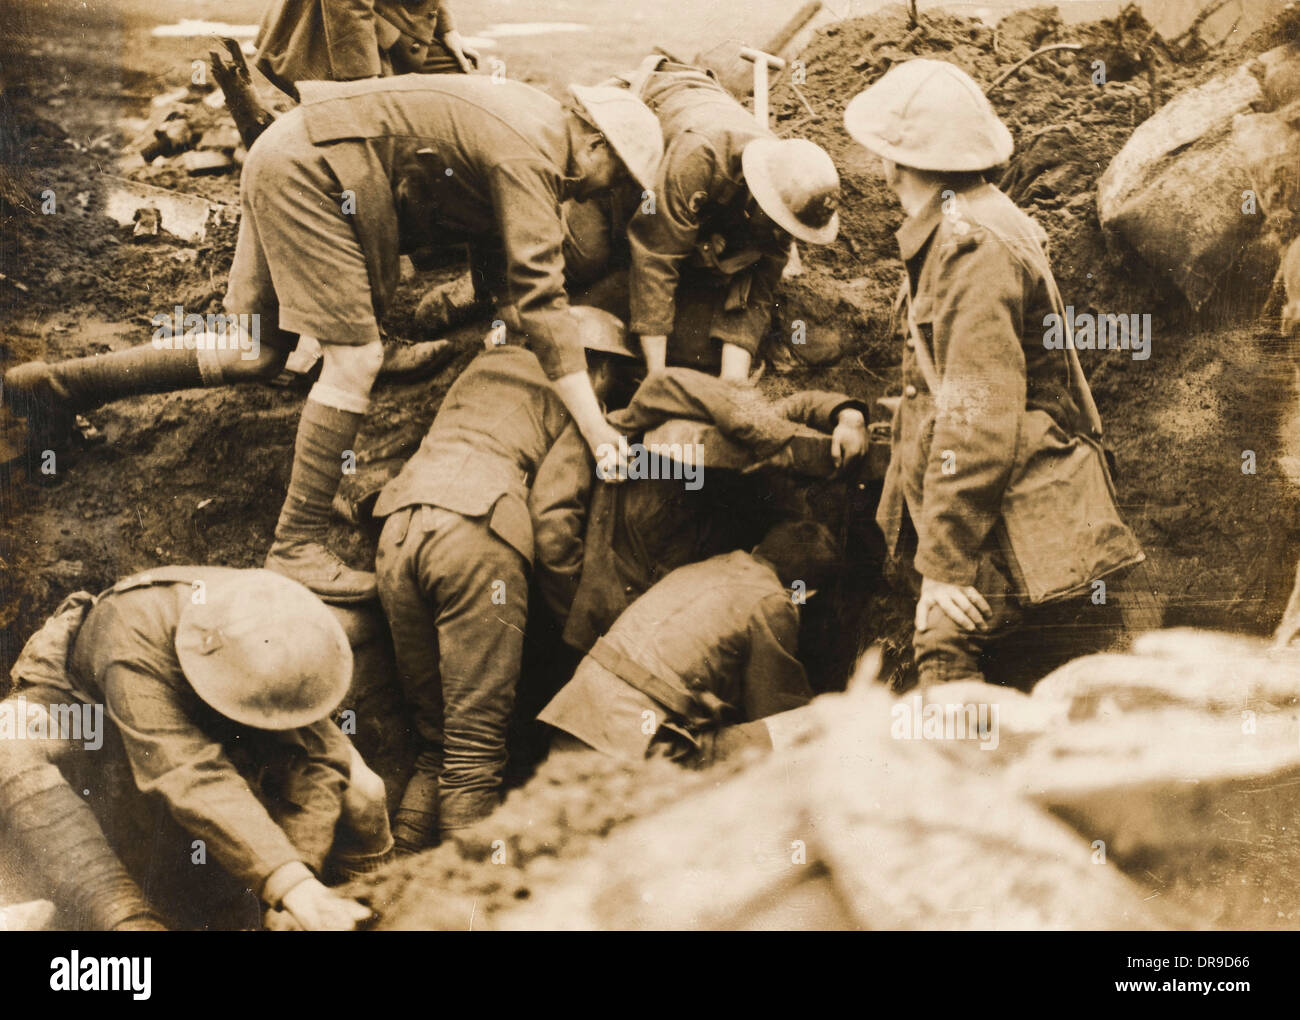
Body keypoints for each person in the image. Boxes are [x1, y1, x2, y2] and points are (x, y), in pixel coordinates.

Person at [3, 77, 664, 604]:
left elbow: (490, 228)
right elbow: (542, 294)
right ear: (599, 145)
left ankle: (54, 387)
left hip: (287, 148)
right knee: (357, 357)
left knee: (257, 349)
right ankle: (298, 548)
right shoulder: (533, 152)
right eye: (622, 183)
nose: (610, 196)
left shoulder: (531, 111)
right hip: (315, 174)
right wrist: (596, 427)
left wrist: (495, 314)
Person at [843, 59, 1142, 689]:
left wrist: (945, 568)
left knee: (945, 674)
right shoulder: (967, 221)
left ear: (891, 161)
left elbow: (977, 421)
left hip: (1012, 522)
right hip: (1006, 511)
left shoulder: (970, 247)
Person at [373, 307, 641, 851]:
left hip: (398, 529)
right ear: (594, 366)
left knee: (437, 741)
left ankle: (396, 877)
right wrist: (574, 622)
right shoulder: (578, 400)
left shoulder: (485, 367)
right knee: (474, 749)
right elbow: (550, 520)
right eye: (615, 374)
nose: (614, 390)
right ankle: (470, 903)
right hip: (477, 534)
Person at [0, 567, 390, 931]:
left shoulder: (277, 629)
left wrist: (300, 877)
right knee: (10, 739)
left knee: (364, 793)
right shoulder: (129, 634)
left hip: (201, 723)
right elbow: (186, 770)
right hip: (91, 717)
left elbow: (318, 762)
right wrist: (289, 882)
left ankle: (381, 909)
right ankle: (128, 919)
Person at [538, 519, 840, 766]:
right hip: (634, 745)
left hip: (576, 717)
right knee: (803, 727)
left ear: (758, 549)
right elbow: (777, 708)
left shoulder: (701, 568)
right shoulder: (772, 601)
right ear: (806, 594)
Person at [616, 57, 840, 380]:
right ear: (761, 199)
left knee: (700, 349)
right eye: (780, 225)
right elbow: (656, 254)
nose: (784, 234)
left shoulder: (790, 199)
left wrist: (731, 387)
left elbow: (757, 291)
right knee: (592, 252)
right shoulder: (702, 158)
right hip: (642, 109)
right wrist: (658, 379)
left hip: (700, 163)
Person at [255, 0, 481, 99]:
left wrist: (446, 29)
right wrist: (364, 79)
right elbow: (348, 6)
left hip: (389, 18)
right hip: (331, 26)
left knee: (458, 89)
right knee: (359, 114)